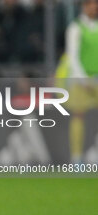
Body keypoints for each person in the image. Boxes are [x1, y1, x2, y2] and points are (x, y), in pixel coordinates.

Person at [58, 0, 98, 163]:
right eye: (91, 4)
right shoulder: (75, 28)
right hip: (80, 79)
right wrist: (83, 80)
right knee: (78, 115)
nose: (95, 7)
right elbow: (73, 56)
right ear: (84, 6)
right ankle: (76, 158)